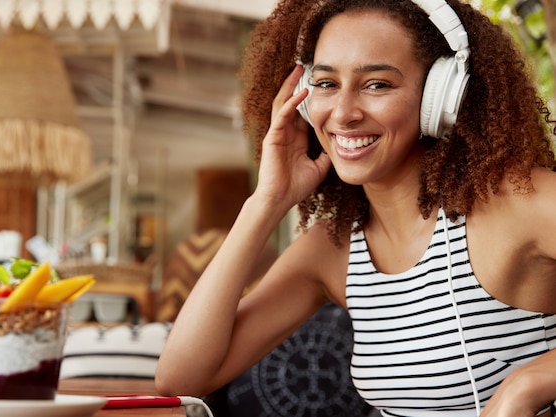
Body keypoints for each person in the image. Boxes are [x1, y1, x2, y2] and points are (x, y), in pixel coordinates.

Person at [155, 0, 556, 415]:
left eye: (377, 84)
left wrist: (527, 385)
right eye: (327, 83)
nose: (344, 113)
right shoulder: (333, 249)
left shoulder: (519, 202)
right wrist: (266, 202)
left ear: (443, 94)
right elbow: (181, 380)